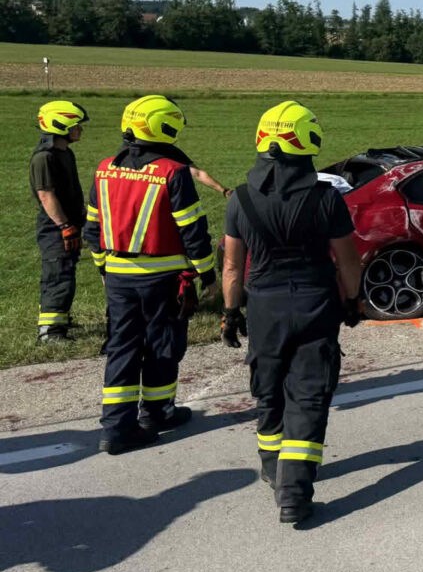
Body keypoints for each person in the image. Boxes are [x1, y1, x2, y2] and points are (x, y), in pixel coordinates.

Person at [220, 100, 364, 526]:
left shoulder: (240, 199)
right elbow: (348, 261)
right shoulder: (326, 199)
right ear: (305, 143)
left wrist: (231, 313)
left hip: (264, 306)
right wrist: (352, 301)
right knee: (308, 396)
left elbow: (232, 266)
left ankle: (271, 467)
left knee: (268, 389)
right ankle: (295, 494)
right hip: (315, 304)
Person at [84, 95, 215, 454]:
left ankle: (116, 428)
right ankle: (157, 413)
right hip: (163, 278)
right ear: (164, 128)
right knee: (162, 345)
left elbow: (92, 228)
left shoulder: (105, 168)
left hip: (118, 277)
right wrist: (207, 273)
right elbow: (192, 228)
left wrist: (102, 266)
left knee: (122, 348)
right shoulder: (172, 172)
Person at [31, 100, 90, 343]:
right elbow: (46, 194)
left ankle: (60, 319)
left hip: (69, 222)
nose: (80, 130)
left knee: (66, 272)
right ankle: (50, 332)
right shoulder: (44, 157)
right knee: (57, 274)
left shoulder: (64, 152)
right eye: (77, 125)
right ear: (60, 125)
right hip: (55, 227)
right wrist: (64, 226)